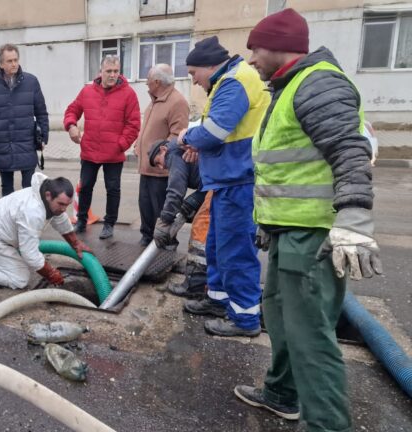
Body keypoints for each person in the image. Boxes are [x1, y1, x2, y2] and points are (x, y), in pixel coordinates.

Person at [234, 9, 383, 431]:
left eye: (254, 49)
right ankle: (282, 394)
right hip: (288, 233)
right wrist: (268, 222)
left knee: (311, 337)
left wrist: (354, 219)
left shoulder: (318, 83)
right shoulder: (290, 87)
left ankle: (326, 425)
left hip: (313, 238)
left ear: (278, 45)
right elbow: (288, 168)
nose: (251, 60)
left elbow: (349, 153)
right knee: (281, 319)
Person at [177, 36, 270, 337]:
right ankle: (218, 300)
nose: (195, 81)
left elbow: (214, 131)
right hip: (228, 179)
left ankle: (245, 319)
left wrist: (186, 139)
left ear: (209, 66)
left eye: (194, 74)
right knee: (218, 246)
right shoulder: (229, 80)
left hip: (239, 179)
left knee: (236, 251)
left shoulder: (234, 81)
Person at [0, 173, 92, 289]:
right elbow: (29, 254)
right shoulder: (33, 211)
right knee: (20, 279)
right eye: (61, 204)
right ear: (49, 195)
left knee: (11, 259)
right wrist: (50, 273)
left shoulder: (46, 193)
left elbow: (61, 220)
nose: (64, 209)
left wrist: (75, 243)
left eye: (67, 205)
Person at [64, 55, 140, 239]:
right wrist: (71, 126)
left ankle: (109, 223)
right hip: (89, 151)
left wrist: (120, 145)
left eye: (116, 71)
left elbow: (134, 124)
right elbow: (72, 111)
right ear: (100, 72)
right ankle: (81, 220)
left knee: (113, 189)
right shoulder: (87, 92)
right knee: (86, 186)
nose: (113, 75)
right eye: (109, 71)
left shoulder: (128, 94)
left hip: (114, 154)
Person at [0, 43, 49, 197]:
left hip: (26, 144)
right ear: (1, 64)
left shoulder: (31, 82)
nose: (14, 64)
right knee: (7, 190)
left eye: (16, 59)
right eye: (10, 61)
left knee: (29, 189)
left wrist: (43, 137)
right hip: (3, 146)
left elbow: (41, 112)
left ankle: (27, 220)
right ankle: (8, 219)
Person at [133, 64, 189, 247]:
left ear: (157, 82)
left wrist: (158, 155)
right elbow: (149, 129)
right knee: (145, 207)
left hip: (161, 170)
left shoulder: (177, 102)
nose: (147, 84)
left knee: (162, 211)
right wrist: (139, 143)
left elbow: (177, 135)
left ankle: (167, 243)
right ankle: (147, 236)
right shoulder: (155, 100)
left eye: (148, 81)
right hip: (146, 168)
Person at [146, 140, 205, 251]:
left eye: (158, 162)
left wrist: (165, 220)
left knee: (202, 224)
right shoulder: (177, 150)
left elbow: (176, 190)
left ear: (163, 150)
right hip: (214, 184)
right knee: (190, 208)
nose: (161, 167)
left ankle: (200, 264)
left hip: (217, 185)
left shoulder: (172, 154)